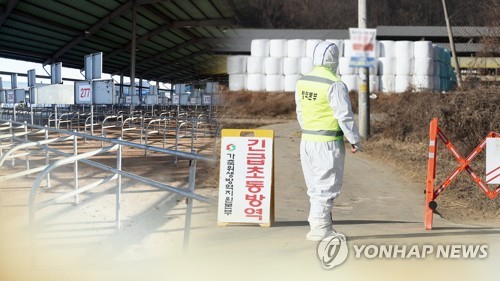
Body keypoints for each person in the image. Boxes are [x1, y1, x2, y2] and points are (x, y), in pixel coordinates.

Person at [295, 41, 363, 241]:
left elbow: (300, 110)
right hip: (327, 142)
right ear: (334, 58)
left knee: (315, 187)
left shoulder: (302, 81)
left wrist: (308, 129)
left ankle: (319, 225)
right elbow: (344, 115)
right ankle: (320, 230)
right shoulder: (334, 83)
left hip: (307, 139)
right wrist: (354, 139)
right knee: (327, 186)